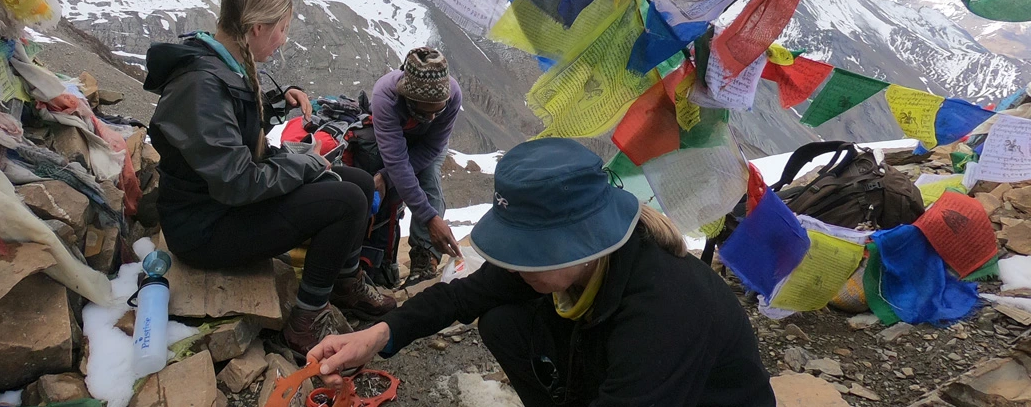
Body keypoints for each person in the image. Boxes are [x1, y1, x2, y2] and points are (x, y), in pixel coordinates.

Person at [308, 138, 776, 407]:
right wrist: (376, 336)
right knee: (503, 320)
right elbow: (461, 296)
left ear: (584, 240)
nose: (516, 263)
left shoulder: (662, 314)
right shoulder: (567, 264)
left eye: (531, 251)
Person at [143, 0, 395, 354]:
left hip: (218, 206)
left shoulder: (219, 63)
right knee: (347, 203)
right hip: (203, 228)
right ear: (257, 28)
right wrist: (306, 165)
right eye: (281, 29)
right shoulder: (200, 87)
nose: (283, 40)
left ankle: (346, 285)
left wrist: (281, 113)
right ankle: (305, 326)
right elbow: (238, 181)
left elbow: (233, 139)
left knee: (358, 182)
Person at [369, 47, 463, 285]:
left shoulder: (452, 94)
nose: (431, 119)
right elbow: (397, 160)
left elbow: (432, 148)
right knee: (385, 184)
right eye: (424, 111)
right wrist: (390, 175)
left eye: (437, 111)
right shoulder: (386, 97)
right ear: (408, 98)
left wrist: (386, 177)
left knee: (429, 176)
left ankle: (425, 257)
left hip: (429, 143)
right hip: (394, 138)